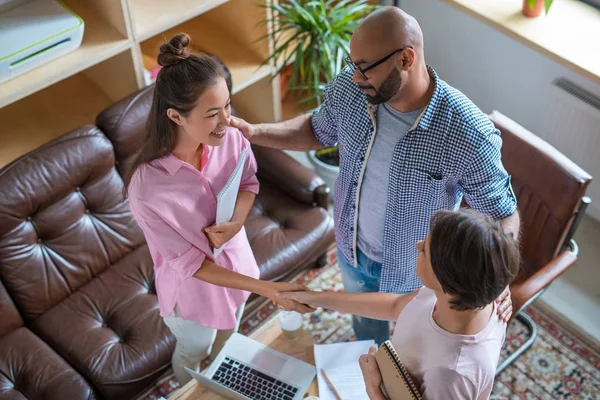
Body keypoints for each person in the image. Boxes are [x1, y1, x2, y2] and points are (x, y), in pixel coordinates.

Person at [231, 6, 519, 344]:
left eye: (365, 68)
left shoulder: (467, 133)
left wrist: (497, 281)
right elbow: (317, 130)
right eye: (354, 65)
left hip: (422, 270)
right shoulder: (353, 89)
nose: (355, 77)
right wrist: (252, 131)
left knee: (415, 345)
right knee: (367, 333)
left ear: (406, 60)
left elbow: (502, 216)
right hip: (354, 250)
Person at [124, 33, 312, 386]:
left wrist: (238, 220)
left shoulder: (233, 136)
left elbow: (248, 182)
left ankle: (222, 382)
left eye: (228, 105)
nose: (228, 120)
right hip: (192, 294)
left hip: (239, 263)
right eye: (213, 114)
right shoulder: (146, 189)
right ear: (176, 117)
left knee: (230, 338)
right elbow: (191, 264)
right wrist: (267, 289)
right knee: (196, 349)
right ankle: (191, 389)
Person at [279, 208, 520, 399]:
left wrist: (373, 388)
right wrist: (315, 297)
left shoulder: (451, 373)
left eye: (425, 250)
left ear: (446, 278)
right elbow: (396, 306)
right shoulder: (465, 293)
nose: (417, 245)